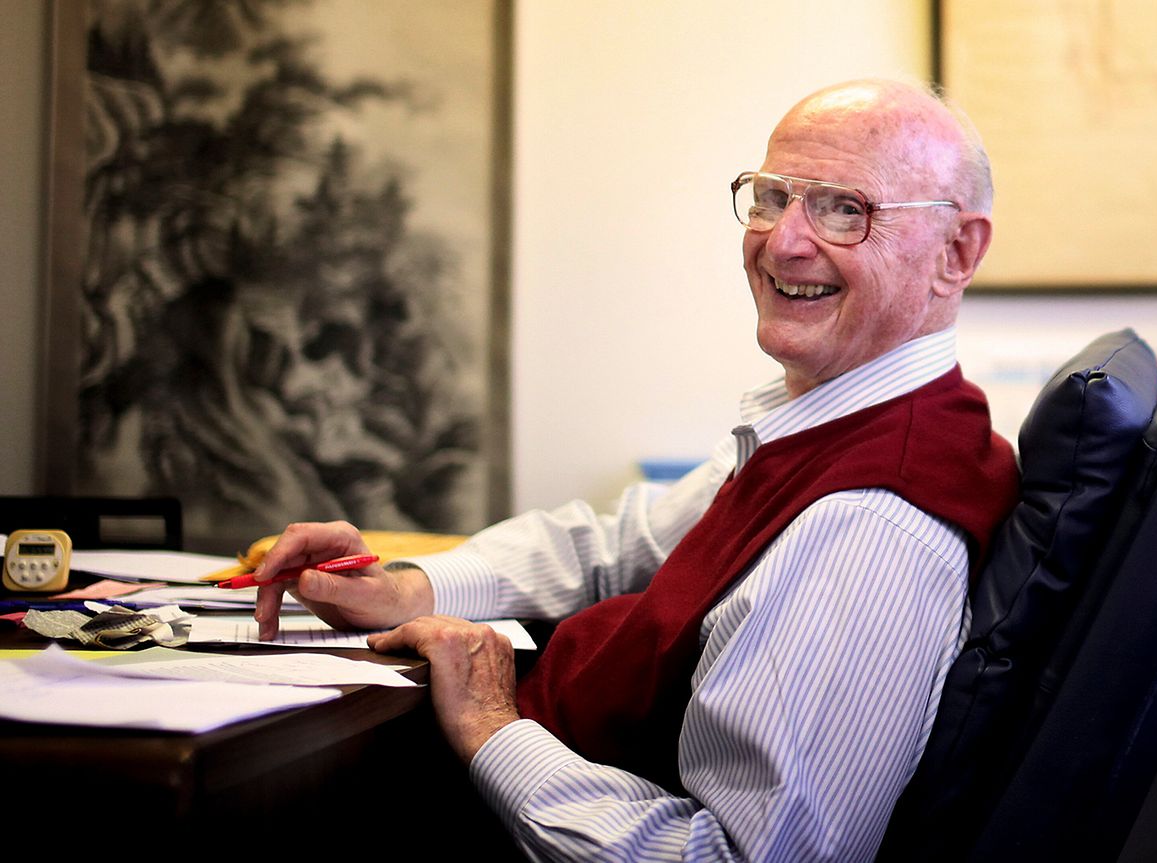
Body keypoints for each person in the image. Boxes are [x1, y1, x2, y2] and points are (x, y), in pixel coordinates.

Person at [253, 77, 1019, 861]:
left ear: (956, 252)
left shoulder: (864, 527)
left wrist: (491, 726)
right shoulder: (838, 425)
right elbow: (616, 545)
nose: (782, 241)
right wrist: (410, 586)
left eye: (844, 209)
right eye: (772, 196)